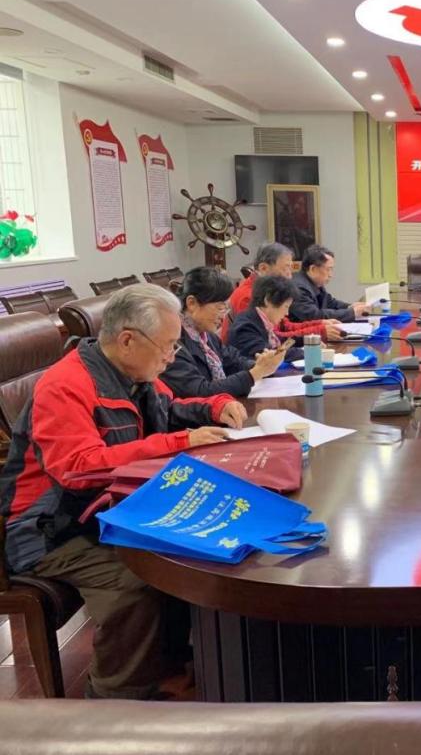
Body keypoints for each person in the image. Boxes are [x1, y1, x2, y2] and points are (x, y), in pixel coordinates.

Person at [0, 284, 245, 699]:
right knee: (135, 582)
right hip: (48, 531)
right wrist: (178, 442)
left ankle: (170, 665)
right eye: (167, 347)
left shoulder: (132, 373)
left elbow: (173, 407)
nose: (172, 357)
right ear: (128, 340)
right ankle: (114, 701)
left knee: (193, 550)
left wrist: (216, 406)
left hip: (103, 512)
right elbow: (78, 469)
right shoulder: (66, 385)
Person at [161, 267, 284, 399]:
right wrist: (254, 374)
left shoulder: (206, 335)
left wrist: (260, 365)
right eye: (220, 308)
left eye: (226, 308)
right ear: (192, 303)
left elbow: (233, 361)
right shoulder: (172, 342)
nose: (223, 316)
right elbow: (200, 391)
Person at [222, 242, 342, 343]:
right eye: (286, 268)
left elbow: (285, 326)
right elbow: (274, 338)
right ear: (263, 268)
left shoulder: (267, 291)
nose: (290, 276)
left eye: (291, 268)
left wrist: (320, 324)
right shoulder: (247, 296)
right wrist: (319, 332)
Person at [228, 275, 304, 362]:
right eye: (286, 307)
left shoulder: (262, 321)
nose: (287, 313)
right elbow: (269, 356)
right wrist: (306, 351)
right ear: (267, 300)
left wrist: (308, 341)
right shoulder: (245, 327)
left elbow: (283, 342)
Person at [290, 245, 367, 323]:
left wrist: (350, 307)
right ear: (313, 269)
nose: (331, 275)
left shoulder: (315, 283)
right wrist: (351, 313)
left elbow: (330, 303)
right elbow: (314, 316)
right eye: (328, 269)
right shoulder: (298, 288)